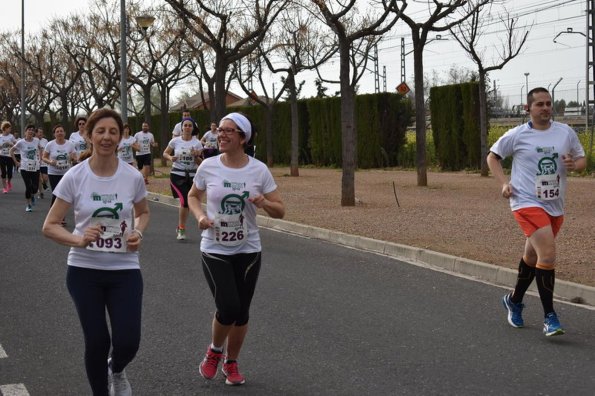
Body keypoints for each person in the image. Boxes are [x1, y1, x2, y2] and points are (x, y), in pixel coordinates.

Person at [42, 108, 150, 396]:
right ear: (89, 135)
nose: (106, 137)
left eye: (113, 132)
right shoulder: (75, 176)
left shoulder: (132, 177)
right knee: (97, 340)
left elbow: (143, 213)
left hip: (124, 270)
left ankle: (116, 369)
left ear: (121, 137)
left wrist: (138, 232)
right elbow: (50, 225)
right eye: (100, 131)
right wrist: (78, 239)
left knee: (128, 341)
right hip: (83, 270)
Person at [188, 112, 285, 386]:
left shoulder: (258, 170)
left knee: (242, 311)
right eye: (220, 130)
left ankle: (232, 363)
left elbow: (281, 211)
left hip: (248, 248)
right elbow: (193, 196)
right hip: (215, 247)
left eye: (229, 131)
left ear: (243, 138)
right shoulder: (208, 166)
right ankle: (214, 351)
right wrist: (199, 216)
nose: (222, 134)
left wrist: (264, 203)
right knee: (228, 305)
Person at [487, 87, 586, 337]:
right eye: (539, 104)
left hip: (555, 204)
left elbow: (582, 159)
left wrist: (575, 165)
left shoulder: (565, 132)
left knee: (533, 258)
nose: (545, 108)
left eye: (548, 103)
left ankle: (514, 300)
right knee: (549, 254)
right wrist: (504, 183)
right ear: (528, 108)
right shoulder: (517, 134)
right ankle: (550, 317)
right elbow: (493, 157)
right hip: (525, 201)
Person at [163, 117, 203, 240]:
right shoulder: (175, 141)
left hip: (192, 176)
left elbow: (201, 162)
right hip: (177, 174)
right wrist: (171, 158)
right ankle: (181, 228)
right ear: (181, 127)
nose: (187, 127)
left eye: (189, 125)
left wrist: (196, 156)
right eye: (185, 125)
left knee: (188, 203)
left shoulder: (197, 143)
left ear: (193, 128)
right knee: (185, 201)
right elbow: (165, 153)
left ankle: (181, 226)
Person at [41, 124, 77, 212]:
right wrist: (50, 162)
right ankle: (54, 214)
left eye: (61, 131)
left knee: (63, 194)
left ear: (64, 133)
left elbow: (75, 158)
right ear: (54, 134)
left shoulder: (70, 144)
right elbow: (44, 157)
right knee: (56, 194)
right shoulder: (50, 144)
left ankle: (58, 215)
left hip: (65, 173)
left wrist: (71, 158)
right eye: (57, 131)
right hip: (53, 172)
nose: (60, 133)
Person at [10, 124, 42, 212]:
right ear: (25, 132)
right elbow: (11, 151)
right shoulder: (21, 142)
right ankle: (28, 205)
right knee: (28, 186)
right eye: (29, 130)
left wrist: (40, 159)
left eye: (32, 130)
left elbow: (40, 148)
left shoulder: (36, 140)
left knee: (35, 188)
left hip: (35, 167)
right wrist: (16, 162)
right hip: (24, 167)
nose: (31, 131)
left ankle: (32, 195)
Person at [0, 121, 16, 193]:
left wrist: (11, 144)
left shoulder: (11, 136)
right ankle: (4, 188)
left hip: (9, 156)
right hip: (2, 156)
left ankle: (8, 182)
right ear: (5, 128)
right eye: (9, 128)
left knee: (10, 173)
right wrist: (2, 145)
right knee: (3, 172)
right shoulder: (0, 137)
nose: (10, 130)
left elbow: (16, 145)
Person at [36, 127, 50, 199]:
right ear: (36, 133)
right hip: (36, 161)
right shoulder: (34, 140)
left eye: (42, 132)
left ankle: (44, 184)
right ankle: (40, 192)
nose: (41, 134)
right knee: (39, 178)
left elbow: (48, 150)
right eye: (39, 132)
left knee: (45, 177)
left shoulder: (45, 141)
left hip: (44, 161)